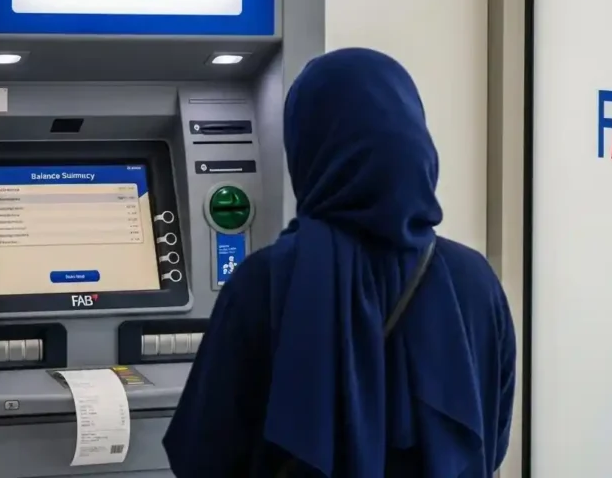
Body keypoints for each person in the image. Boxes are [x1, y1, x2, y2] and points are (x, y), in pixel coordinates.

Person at [162, 48, 516, 477]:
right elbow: (491, 446)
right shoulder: (477, 282)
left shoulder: (263, 285)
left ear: (307, 146)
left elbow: (203, 455)